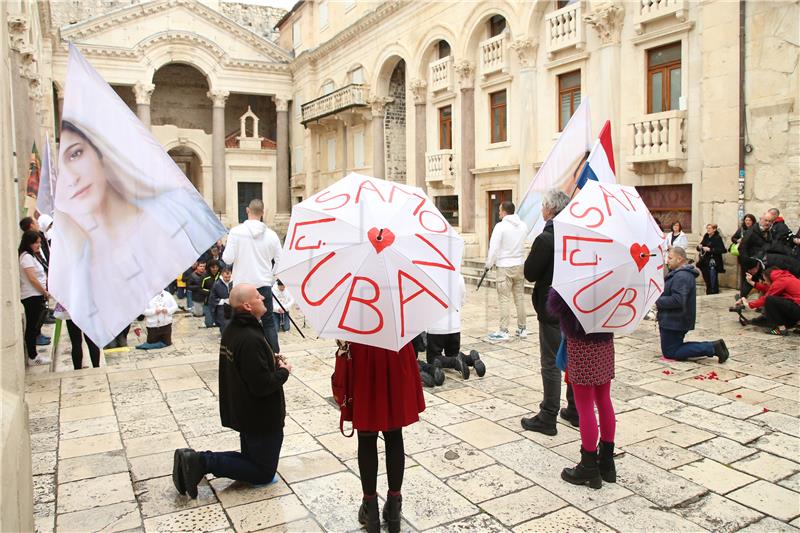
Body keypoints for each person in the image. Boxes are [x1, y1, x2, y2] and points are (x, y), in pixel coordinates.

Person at [50, 120, 223, 346]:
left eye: (77, 154)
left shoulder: (161, 217)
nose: (73, 174)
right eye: (68, 161)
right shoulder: (84, 243)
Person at [173, 284, 292, 498]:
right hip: (261, 417)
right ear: (247, 305)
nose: (263, 299)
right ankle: (201, 461)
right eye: (258, 297)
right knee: (262, 472)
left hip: (245, 411)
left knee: (252, 460)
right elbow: (261, 385)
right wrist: (284, 371)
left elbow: (245, 368)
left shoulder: (235, 329)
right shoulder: (249, 338)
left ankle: (196, 459)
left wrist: (269, 361)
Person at [345, 339, 425, 533]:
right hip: (396, 349)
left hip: (363, 352)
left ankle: (370, 511)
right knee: (394, 433)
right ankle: (394, 510)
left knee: (366, 436)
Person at [521, 189, 578, 435]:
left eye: (543, 206)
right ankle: (575, 409)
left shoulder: (546, 239)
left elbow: (530, 273)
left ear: (550, 209)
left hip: (552, 307)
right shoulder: (576, 235)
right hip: (575, 306)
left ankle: (548, 415)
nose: (541, 210)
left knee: (552, 361)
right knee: (574, 357)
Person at [548, 289, 616, 489]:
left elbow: (555, 306)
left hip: (582, 342)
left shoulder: (577, 278)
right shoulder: (609, 277)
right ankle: (607, 463)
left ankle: (588, 465)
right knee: (604, 399)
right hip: (604, 339)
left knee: (584, 405)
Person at [223, 199, 282, 356]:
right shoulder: (272, 235)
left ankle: (239, 355)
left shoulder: (236, 232)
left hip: (241, 287)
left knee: (240, 322)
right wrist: (271, 278)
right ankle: (274, 356)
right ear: (263, 213)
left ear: (247, 210)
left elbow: (227, 259)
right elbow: (281, 261)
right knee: (268, 321)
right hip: (263, 285)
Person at [656, 247, 729, 362]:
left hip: (675, 320)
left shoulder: (682, 276)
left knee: (671, 352)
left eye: (670, 258)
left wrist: (657, 301)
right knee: (672, 348)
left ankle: (712, 347)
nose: (667, 261)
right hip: (672, 319)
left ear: (679, 259)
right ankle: (713, 346)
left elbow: (678, 300)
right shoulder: (679, 274)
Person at [425, 274, 484, 380]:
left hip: (437, 327)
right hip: (454, 326)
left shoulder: (429, 276)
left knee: (433, 358)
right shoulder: (458, 276)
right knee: (453, 353)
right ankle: (471, 359)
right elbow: (462, 300)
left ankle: (455, 362)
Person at [485, 201, 528, 341]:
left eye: (499, 210)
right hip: (519, 265)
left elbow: (494, 248)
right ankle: (522, 329)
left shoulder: (500, 226)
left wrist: (488, 264)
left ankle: (503, 330)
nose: (498, 212)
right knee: (520, 297)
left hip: (505, 266)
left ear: (504, 211)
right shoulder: (523, 225)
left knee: (504, 299)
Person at [18, 230, 51, 365]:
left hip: (36, 295)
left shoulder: (32, 256)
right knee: (32, 327)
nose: (38, 245)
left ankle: (33, 355)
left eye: (39, 242)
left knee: (35, 326)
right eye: (36, 243)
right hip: (31, 296)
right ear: (28, 243)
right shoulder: (26, 257)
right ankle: (32, 356)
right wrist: (44, 291)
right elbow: (32, 278)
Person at [739, 267, 800, 335]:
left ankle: (781, 328)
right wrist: (751, 282)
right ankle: (790, 324)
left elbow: (766, 297)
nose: (765, 282)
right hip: (797, 308)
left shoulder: (781, 281)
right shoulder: (785, 277)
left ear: (769, 277)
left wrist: (749, 305)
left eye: (765, 280)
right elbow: (769, 288)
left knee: (769, 299)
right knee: (775, 299)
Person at [696, 223, 726, 294]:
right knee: (706, 277)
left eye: (710, 228)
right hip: (704, 260)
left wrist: (710, 249)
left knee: (712, 277)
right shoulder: (706, 236)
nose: (708, 230)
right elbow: (701, 245)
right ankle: (708, 290)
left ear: (714, 229)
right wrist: (699, 247)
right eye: (707, 228)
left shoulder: (717, 238)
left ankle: (713, 291)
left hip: (713, 261)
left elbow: (723, 250)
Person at [210, 267, 233, 333]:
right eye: (225, 277)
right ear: (222, 275)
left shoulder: (234, 282)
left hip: (233, 306)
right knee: (224, 323)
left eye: (229, 277)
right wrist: (223, 301)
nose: (227, 279)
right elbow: (212, 298)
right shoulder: (217, 284)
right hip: (222, 306)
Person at [201, 261, 221, 328]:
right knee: (209, 324)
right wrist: (210, 292)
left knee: (219, 322)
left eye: (216, 267)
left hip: (219, 301)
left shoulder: (221, 276)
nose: (215, 269)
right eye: (213, 267)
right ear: (209, 268)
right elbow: (200, 288)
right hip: (208, 301)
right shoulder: (205, 277)